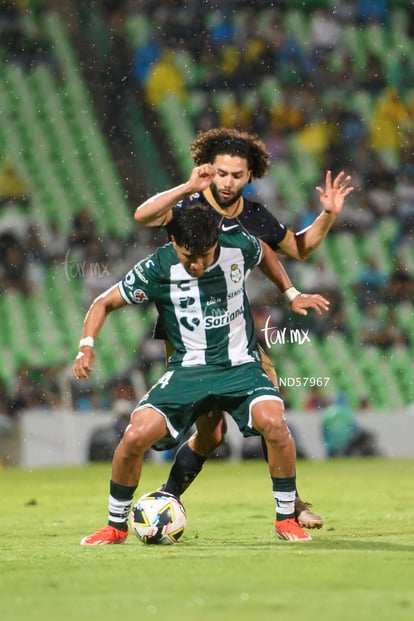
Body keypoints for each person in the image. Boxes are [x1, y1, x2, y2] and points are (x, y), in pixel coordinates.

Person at [133, 128, 354, 529]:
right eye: (220, 173)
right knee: (212, 432)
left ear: (249, 176)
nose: (227, 182)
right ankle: (168, 492)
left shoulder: (255, 217)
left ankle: (289, 504)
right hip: (184, 332)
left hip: (234, 332)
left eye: (236, 175)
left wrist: (328, 215)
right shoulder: (188, 206)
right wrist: (186, 186)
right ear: (209, 171)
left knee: (270, 411)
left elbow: (299, 248)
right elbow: (143, 216)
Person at [74, 204, 313, 544]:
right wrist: (86, 345)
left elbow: (266, 254)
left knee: (274, 422)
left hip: (240, 367)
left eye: (206, 255)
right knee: (134, 436)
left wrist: (290, 293)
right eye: (190, 257)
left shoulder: (237, 245)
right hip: (187, 371)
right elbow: (103, 303)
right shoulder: (158, 267)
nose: (199, 264)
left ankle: (286, 519)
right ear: (174, 242)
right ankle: (115, 526)